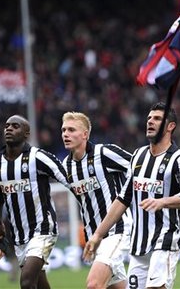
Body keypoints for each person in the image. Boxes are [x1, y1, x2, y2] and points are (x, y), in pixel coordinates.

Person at [83, 102, 180, 289]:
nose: (150, 122)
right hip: (139, 244)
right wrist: (98, 235)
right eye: (149, 118)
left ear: (170, 126)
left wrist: (163, 202)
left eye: (157, 118)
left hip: (165, 240)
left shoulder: (178, 159)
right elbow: (123, 199)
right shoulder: (138, 156)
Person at [0, 115, 70, 289]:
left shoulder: (38, 157)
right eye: (7, 126)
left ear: (26, 134)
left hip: (43, 229)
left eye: (15, 126)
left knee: (26, 282)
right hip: (19, 235)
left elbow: (70, 180)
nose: (9, 129)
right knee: (40, 282)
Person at [61, 111, 133, 289]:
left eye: (71, 130)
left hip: (117, 229)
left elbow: (140, 168)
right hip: (94, 237)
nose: (65, 134)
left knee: (94, 285)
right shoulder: (65, 166)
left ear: (85, 134)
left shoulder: (104, 153)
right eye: (63, 130)